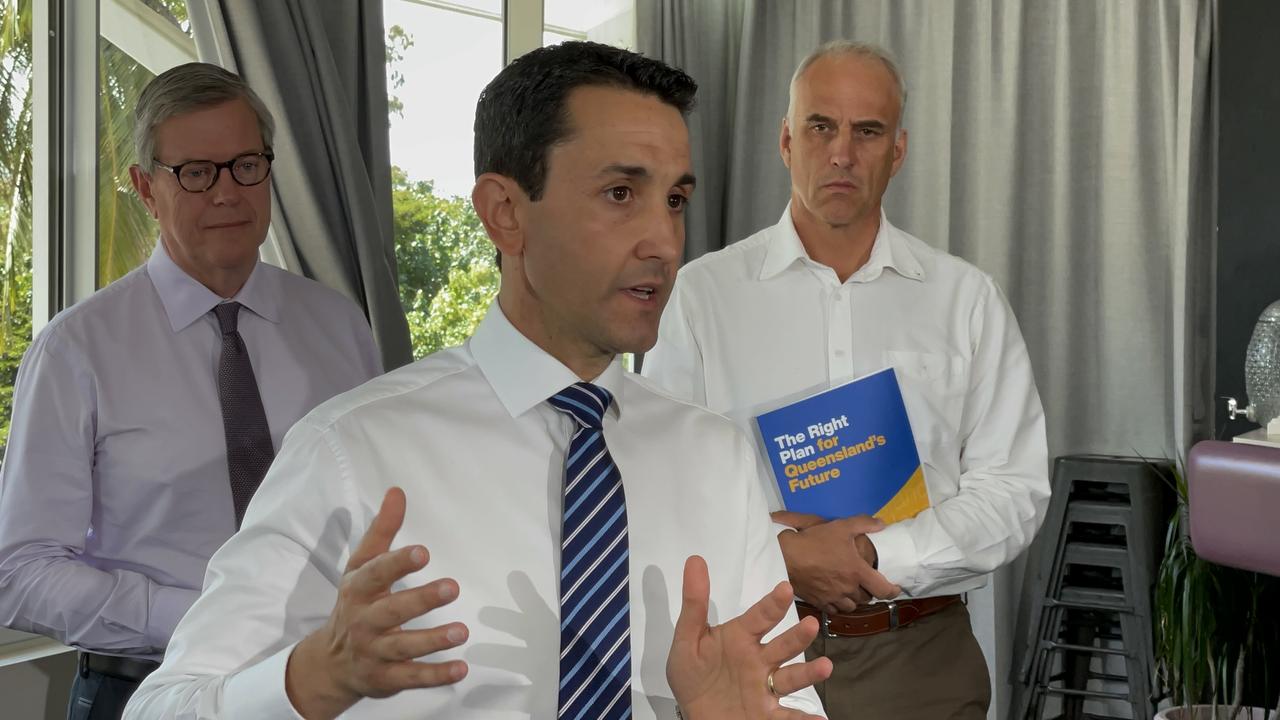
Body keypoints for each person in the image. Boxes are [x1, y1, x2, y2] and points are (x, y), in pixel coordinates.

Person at [123, 42, 829, 720]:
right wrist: (309, 680)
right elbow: (160, 708)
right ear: (505, 213)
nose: (665, 243)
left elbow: (781, 699)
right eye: (621, 193)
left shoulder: (715, 457)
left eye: (675, 200)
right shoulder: (353, 451)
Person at [642, 40, 1050, 719]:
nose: (842, 153)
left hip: (920, 658)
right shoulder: (700, 298)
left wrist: (869, 552)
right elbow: (662, 485)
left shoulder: (966, 300)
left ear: (898, 150)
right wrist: (788, 558)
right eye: (820, 126)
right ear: (785, 141)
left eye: (868, 132)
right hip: (754, 653)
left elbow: (1013, 491)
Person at [0, 62, 383, 719]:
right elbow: (21, 573)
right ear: (146, 189)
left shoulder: (340, 326)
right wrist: (211, 618)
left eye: (245, 166)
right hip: (147, 688)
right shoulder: (77, 351)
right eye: (196, 173)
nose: (227, 193)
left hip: (328, 687)